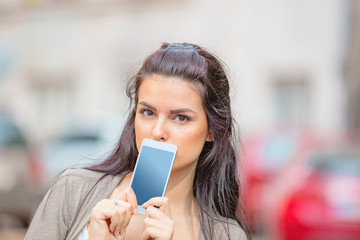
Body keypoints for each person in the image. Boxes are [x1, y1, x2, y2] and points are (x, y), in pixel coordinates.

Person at [25, 43, 250, 240]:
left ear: (213, 129)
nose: (158, 131)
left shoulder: (227, 235)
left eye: (181, 117)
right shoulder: (72, 189)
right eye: (148, 112)